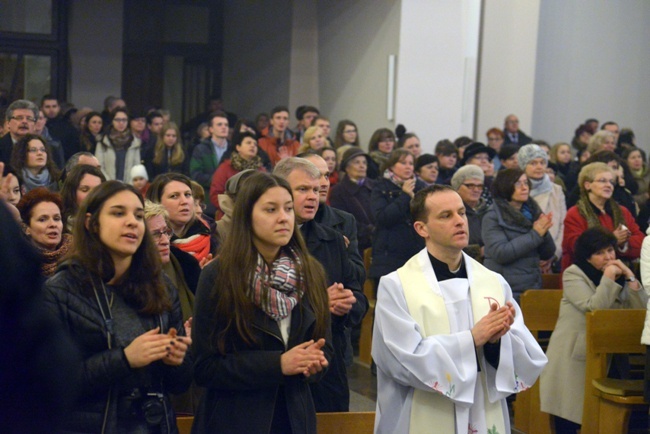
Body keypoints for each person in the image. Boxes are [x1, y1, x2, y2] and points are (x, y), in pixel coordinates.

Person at [372, 184, 547, 434]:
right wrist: (472, 339)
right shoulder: (397, 286)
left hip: (483, 407)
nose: (459, 221)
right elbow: (401, 361)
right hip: (423, 410)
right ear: (422, 229)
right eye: (446, 216)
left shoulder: (493, 282)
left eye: (461, 213)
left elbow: (526, 355)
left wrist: (496, 343)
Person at [43, 181, 192, 432]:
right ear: (91, 223)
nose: (132, 222)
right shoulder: (61, 290)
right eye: (118, 213)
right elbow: (52, 383)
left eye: (138, 215)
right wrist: (124, 359)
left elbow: (179, 385)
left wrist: (176, 360)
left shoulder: (161, 285)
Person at [192, 172, 332, 433]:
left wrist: (315, 364)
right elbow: (204, 367)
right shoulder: (219, 275)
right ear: (247, 216)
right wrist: (278, 364)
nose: (283, 217)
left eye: (288, 209)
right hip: (235, 419)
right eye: (271, 209)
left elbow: (326, 349)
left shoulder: (310, 273)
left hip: (294, 418)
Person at [273, 158, 367, 412]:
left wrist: (348, 302)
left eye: (316, 190)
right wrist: (319, 303)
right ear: (279, 191)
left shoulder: (332, 239)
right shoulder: (262, 241)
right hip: (278, 362)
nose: (313, 196)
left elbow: (358, 294)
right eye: (303, 189)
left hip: (327, 360)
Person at [541, 227, 647, 433]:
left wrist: (630, 277)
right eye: (599, 253)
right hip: (575, 355)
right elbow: (593, 308)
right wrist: (608, 277)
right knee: (572, 415)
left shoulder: (619, 274)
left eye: (610, 250)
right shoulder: (574, 274)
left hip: (611, 353)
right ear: (588, 258)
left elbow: (641, 310)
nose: (608, 257)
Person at [482, 168, 556, 299]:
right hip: (505, 288)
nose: (524, 188)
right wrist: (536, 234)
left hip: (532, 285)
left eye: (526, 183)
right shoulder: (492, 216)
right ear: (505, 186)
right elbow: (501, 252)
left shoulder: (533, 211)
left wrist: (544, 233)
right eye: (518, 184)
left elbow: (548, 253)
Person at [562, 162, 644, 270]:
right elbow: (577, 248)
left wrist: (623, 245)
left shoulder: (623, 212)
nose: (608, 185)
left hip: (620, 274)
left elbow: (641, 243)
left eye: (611, 182)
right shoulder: (575, 213)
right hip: (584, 276)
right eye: (602, 181)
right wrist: (612, 240)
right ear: (587, 185)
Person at [370, 149, 426, 284]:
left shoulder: (420, 187)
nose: (408, 167)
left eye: (411, 163)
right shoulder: (380, 187)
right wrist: (405, 196)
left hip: (416, 254)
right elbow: (382, 218)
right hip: (388, 257)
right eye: (403, 163)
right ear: (391, 166)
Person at [146, 173, 217, 265]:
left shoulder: (211, 234)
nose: (184, 201)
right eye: (174, 196)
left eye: (187, 195)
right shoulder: (150, 242)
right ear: (157, 203)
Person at [518, 144, 566, 269]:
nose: (539, 167)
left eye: (542, 162)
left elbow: (562, 224)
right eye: (533, 163)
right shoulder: (515, 190)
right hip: (523, 256)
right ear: (523, 166)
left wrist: (553, 254)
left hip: (551, 254)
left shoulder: (556, 190)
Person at [329, 147, 375, 255]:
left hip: (380, 245)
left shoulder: (376, 186)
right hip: (356, 246)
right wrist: (368, 231)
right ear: (347, 168)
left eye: (364, 162)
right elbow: (342, 220)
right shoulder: (338, 191)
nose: (362, 165)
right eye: (356, 162)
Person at [16, 188, 71, 276]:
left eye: (57, 219)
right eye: (42, 220)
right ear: (27, 228)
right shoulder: (17, 263)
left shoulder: (78, 257)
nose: (53, 224)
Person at [209, 131, 265, 214]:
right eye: (248, 143)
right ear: (238, 147)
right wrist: (233, 210)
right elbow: (216, 194)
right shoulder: (226, 167)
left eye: (255, 144)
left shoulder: (261, 171)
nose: (252, 145)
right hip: (230, 215)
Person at [95, 107, 142, 182]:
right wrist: (109, 183)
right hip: (107, 185)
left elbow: (136, 166)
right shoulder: (103, 141)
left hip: (128, 185)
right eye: (118, 120)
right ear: (112, 121)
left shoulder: (134, 142)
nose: (121, 123)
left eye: (124, 120)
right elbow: (99, 166)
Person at [451, 165, 487, 261]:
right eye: (470, 185)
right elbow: (447, 247)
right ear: (457, 187)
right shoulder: (451, 214)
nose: (476, 190)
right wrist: (478, 251)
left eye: (479, 186)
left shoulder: (488, 211)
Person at [60, 164, 106, 231]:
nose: (91, 195)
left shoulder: (109, 224)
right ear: (71, 192)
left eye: (97, 190)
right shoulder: (58, 223)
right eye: (85, 190)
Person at [0, 99, 39, 166]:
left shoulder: (49, 149)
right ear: (8, 123)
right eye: (19, 118)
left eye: (29, 118)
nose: (24, 121)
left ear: (35, 125)